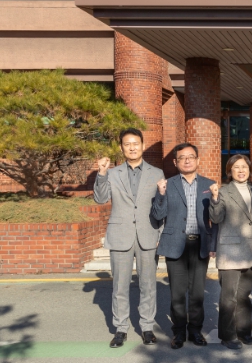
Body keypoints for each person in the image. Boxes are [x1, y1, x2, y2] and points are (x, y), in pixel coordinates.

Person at [93, 128, 164, 348]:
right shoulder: (112, 173)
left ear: (143, 145)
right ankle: (121, 329)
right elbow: (100, 199)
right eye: (127, 144)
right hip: (120, 235)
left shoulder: (157, 173)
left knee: (148, 285)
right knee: (120, 286)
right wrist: (102, 173)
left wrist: (160, 234)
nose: (132, 147)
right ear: (121, 147)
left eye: (135, 143)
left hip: (148, 234)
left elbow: (161, 206)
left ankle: (147, 327)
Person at [151, 142, 217, 349]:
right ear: (175, 162)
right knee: (177, 293)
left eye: (190, 157)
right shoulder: (168, 184)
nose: (187, 160)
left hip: (200, 244)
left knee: (197, 293)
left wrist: (214, 243)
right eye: (182, 158)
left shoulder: (209, 184)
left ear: (198, 160)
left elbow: (216, 218)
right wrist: (160, 194)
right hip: (175, 244)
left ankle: (195, 330)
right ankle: (178, 332)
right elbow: (158, 215)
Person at [209, 155, 252, 350]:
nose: (241, 171)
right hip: (230, 251)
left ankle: (243, 332)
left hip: (250, 250)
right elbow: (216, 218)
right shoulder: (223, 192)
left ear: (249, 170)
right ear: (229, 171)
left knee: (244, 296)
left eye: (244, 167)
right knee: (229, 298)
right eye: (236, 167)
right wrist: (215, 199)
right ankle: (228, 336)